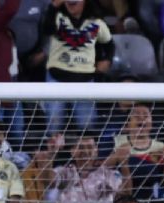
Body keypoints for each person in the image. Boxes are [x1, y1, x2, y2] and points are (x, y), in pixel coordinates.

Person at [40, 0, 114, 134]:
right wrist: (53, 6)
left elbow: (109, 43)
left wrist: (107, 60)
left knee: (87, 126)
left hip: (84, 81)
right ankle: (54, 153)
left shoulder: (97, 23)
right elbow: (46, 28)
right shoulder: (57, 17)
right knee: (54, 125)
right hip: (57, 78)